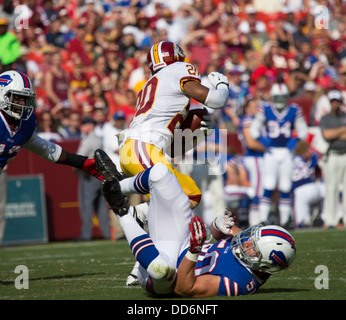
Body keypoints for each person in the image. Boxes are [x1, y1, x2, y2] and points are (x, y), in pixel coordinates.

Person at [94, 149, 296, 297]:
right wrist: (219, 224)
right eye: (251, 239)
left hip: (169, 272)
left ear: (264, 264)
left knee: (161, 270)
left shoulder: (240, 282)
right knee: (160, 173)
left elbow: (184, 288)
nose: (246, 242)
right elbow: (219, 233)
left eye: (252, 246)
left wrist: (194, 250)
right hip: (183, 242)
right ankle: (117, 185)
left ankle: (122, 211)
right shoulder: (249, 248)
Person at [118, 41, 229, 210]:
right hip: (144, 148)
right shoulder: (177, 69)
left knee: (187, 197)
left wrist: (195, 132)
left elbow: (171, 149)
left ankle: (135, 206)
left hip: (138, 151)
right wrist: (222, 85)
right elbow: (217, 100)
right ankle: (120, 191)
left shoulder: (152, 83)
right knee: (183, 198)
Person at [0, 70, 103, 180]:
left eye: (25, 99)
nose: (22, 104)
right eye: (17, 98)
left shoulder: (24, 124)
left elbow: (47, 149)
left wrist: (82, 162)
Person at [250, 82, 308, 227]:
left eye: (283, 97)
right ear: (273, 97)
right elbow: (254, 130)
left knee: (286, 187)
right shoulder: (265, 109)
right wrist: (263, 140)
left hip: (287, 152)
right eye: (278, 97)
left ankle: (285, 220)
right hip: (271, 152)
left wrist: (295, 140)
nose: (280, 100)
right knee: (268, 185)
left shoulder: (294, 110)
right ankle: (263, 219)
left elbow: (303, 131)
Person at [76, 117, 110, 241]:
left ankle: (86, 234)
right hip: (99, 174)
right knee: (101, 205)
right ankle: (107, 233)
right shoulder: (99, 139)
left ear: (90, 126)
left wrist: (76, 169)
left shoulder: (89, 139)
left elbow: (80, 156)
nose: (82, 127)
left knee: (87, 204)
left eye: (84, 124)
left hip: (89, 175)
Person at [319, 90, 346, 228]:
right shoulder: (325, 118)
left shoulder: (344, 116)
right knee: (332, 187)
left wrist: (336, 132)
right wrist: (343, 130)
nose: (335, 104)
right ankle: (330, 219)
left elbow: (333, 134)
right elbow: (327, 135)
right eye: (333, 101)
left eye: (337, 101)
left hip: (345, 153)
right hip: (333, 154)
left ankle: (344, 219)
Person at [292, 141, 325, 228]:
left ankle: (307, 220)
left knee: (301, 222)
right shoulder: (312, 158)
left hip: (300, 190)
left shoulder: (291, 159)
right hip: (315, 187)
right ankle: (323, 216)